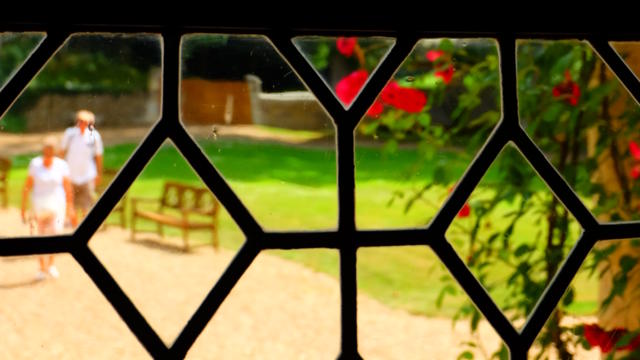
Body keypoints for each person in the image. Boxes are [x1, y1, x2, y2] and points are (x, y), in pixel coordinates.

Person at [21, 136, 76, 280]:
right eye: (46, 151)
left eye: (51, 151)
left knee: (55, 233)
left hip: (57, 203)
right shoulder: (35, 164)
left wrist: (70, 206)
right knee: (40, 234)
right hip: (39, 202)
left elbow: (67, 187)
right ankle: (41, 267)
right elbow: (27, 185)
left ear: (55, 152)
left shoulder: (61, 165)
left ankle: (51, 264)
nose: (48, 154)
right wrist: (23, 207)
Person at [60, 109, 104, 218]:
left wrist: (99, 173)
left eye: (85, 121)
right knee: (70, 203)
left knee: (87, 204)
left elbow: (98, 156)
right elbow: (62, 152)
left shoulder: (94, 136)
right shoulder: (69, 134)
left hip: (87, 175)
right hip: (70, 175)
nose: (82, 124)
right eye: (80, 121)